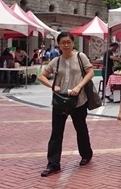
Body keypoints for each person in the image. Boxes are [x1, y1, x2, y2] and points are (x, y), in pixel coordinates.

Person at [37, 32, 94, 177]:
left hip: (79, 100)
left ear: (73, 43)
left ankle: (86, 154)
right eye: (63, 43)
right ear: (59, 45)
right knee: (56, 132)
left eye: (68, 42)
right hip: (60, 101)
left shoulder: (81, 57)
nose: (66, 45)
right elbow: (41, 75)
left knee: (80, 128)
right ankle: (53, 164)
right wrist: (51, 86)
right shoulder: (56, 61)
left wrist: (78, 86)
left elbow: (90, 73)